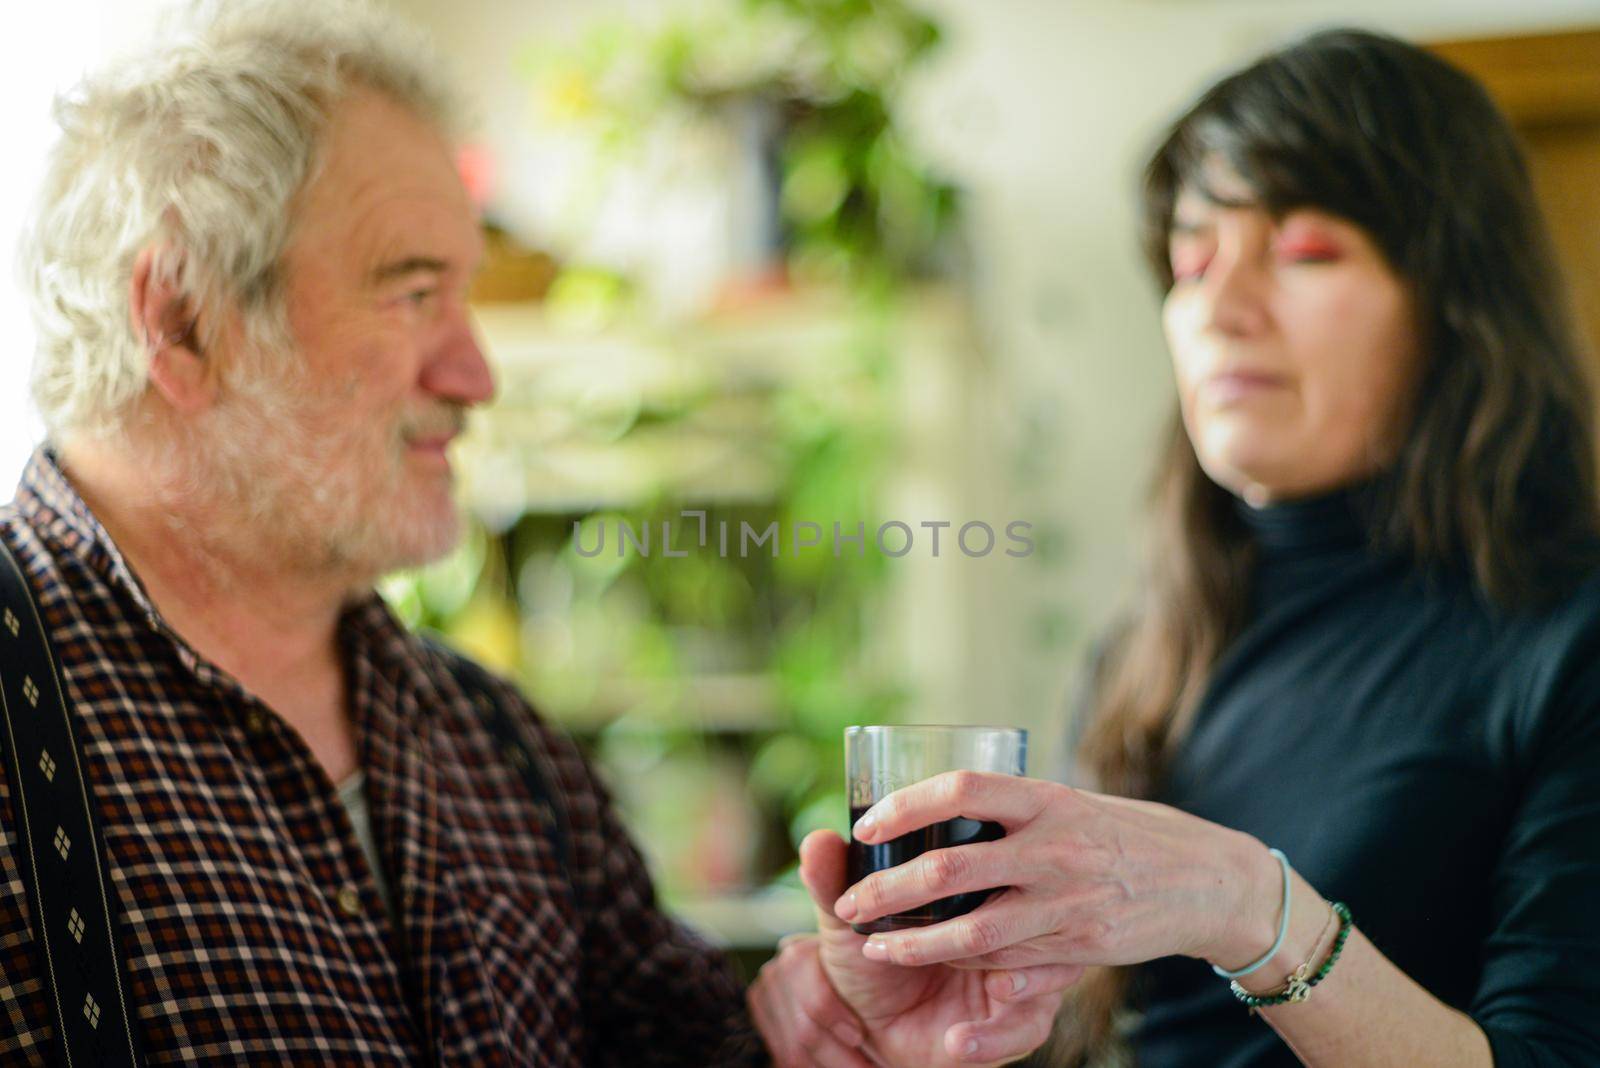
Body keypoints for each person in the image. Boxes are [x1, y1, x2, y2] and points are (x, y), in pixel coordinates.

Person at [0, 2, 1068, 1064]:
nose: (476, 375)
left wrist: (802, 1038)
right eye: (414, 293)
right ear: (182, 315)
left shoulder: (499, 747)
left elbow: (676, 1049)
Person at [802, 27, 1600, 1068]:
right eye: (1190, 261)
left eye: (1305, 252)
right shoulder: (1148, 650)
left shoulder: (1568, 641)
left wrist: (1249, 908)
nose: (1219, 310)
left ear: (1456, 306)